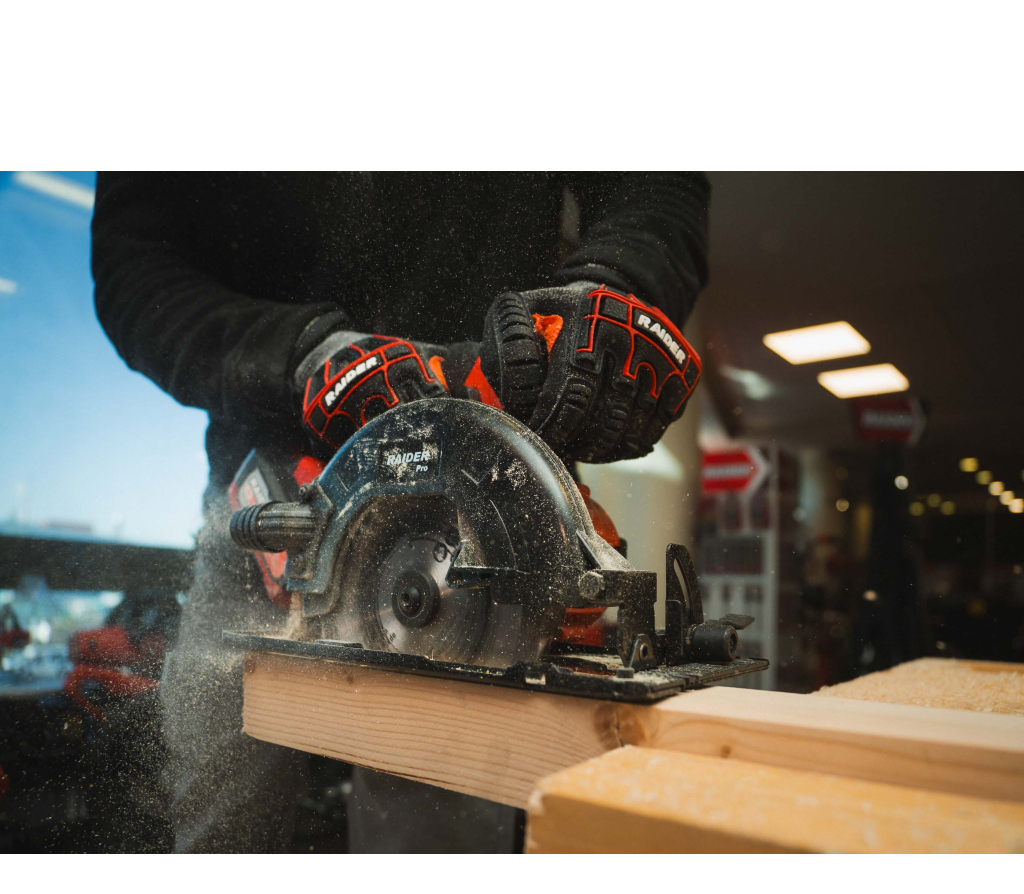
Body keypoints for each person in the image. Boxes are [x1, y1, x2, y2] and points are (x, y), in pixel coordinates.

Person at [91, 172, 710, 853]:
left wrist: (615, 281)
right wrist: (299, 354)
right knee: (224, 810)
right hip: (279, 472)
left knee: (437, 833)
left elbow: (653, 182)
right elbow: (137, 266)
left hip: (493, 480)